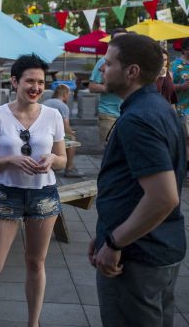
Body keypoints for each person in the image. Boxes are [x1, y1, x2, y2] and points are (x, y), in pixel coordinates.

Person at [88, 34, 186, 327]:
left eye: (108, 63)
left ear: (132, 71)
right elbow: (132, 188)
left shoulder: (139, 119)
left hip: (137, 257)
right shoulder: (161, 109)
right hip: (156, 247)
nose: (102, 70)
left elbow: (164, 197)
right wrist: (107, 231)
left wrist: (116, 242)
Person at [0, 54, 67, 327]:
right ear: (15, 82)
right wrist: (10, 159)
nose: (36, 87)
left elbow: (62, 159)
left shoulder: (53, 115)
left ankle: (33, 323)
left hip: (43, 196)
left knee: (36, 263)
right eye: (30, 81)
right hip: (5, 194)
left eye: (40, 82)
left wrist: (51, 160)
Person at [89, 28, 127, 143]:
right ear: (112, 44)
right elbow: (91, 87)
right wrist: (107, 88)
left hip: (130, 114)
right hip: (109, 114)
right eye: (117, 40)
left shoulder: (134, 62)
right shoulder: (103, 62)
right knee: (109, 154)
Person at [44, 83, 83, 178]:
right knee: (72, 139)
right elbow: (66, 128)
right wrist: (72, 132)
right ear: (65, 95)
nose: (69, 97)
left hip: (42, 133)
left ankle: (57, 164)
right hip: (52, 135)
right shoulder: (63, 106)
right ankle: (69, 168)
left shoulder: (46, 102)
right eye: (70, 95)